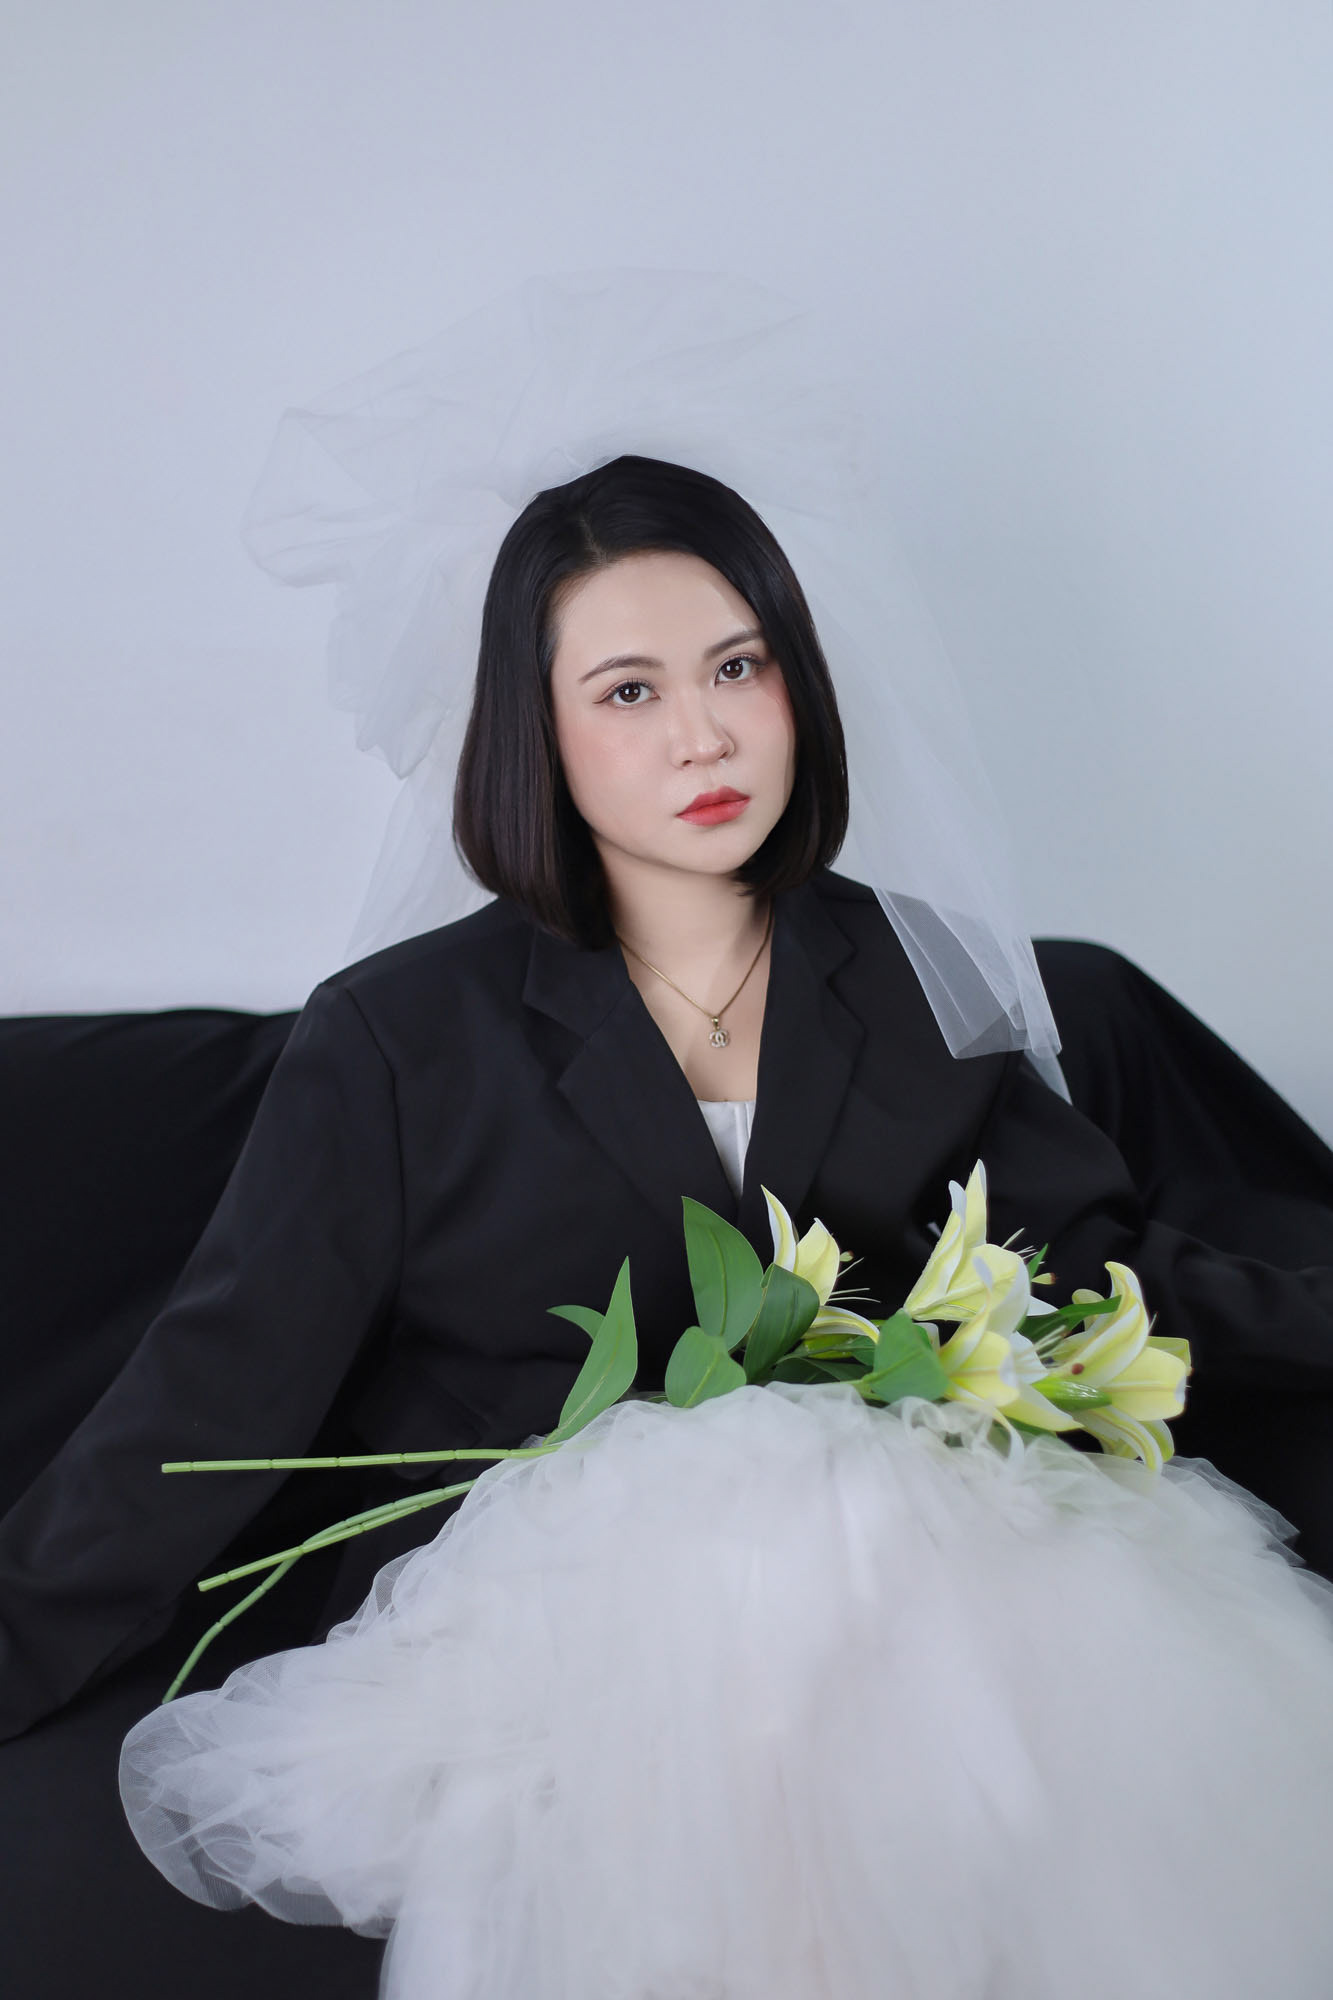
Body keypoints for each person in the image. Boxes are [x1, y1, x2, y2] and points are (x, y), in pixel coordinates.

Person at [6, 450, 1333, 1997]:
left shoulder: (923, 982)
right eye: (628, 691)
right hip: (555, 1623)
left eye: (736, 668)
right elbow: (216, 1388)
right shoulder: (400, 1036)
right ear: (537, 733)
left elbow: (1083, 1281)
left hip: (904, 1592)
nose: (702, 733)